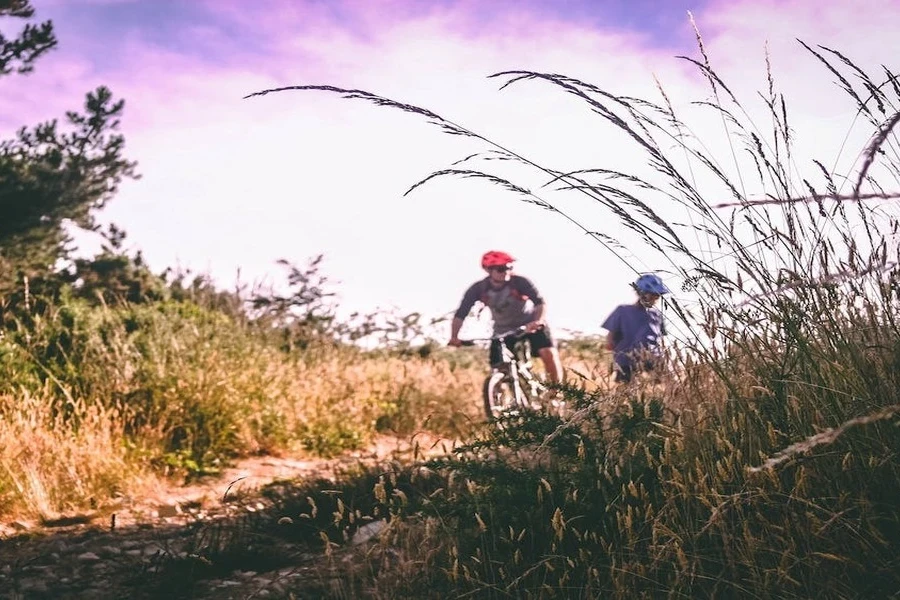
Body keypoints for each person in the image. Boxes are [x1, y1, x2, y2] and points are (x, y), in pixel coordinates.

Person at [448, 250, 563, 384]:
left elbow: (539, 303)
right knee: (498, 366)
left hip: (529, 325)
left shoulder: (519, 282)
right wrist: (454, 337)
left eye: (509, 267)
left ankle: (557, 392)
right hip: (503, 330)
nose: (506, 272)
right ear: (488, 270)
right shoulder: (478, 288)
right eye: (501, 269)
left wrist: (537, 321)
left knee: (548, 353)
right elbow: (461, 314)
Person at [601, 273, 670, 384]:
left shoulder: (657, 315)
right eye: (652, 295)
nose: (655, 298)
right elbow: (610, 336)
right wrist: (612, 347)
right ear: (640, 293)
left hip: (653, 357)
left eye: (658, 295)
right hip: (626, 359)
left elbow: (661, 339)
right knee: (625, 386)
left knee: (665, 384)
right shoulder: (623, 311)